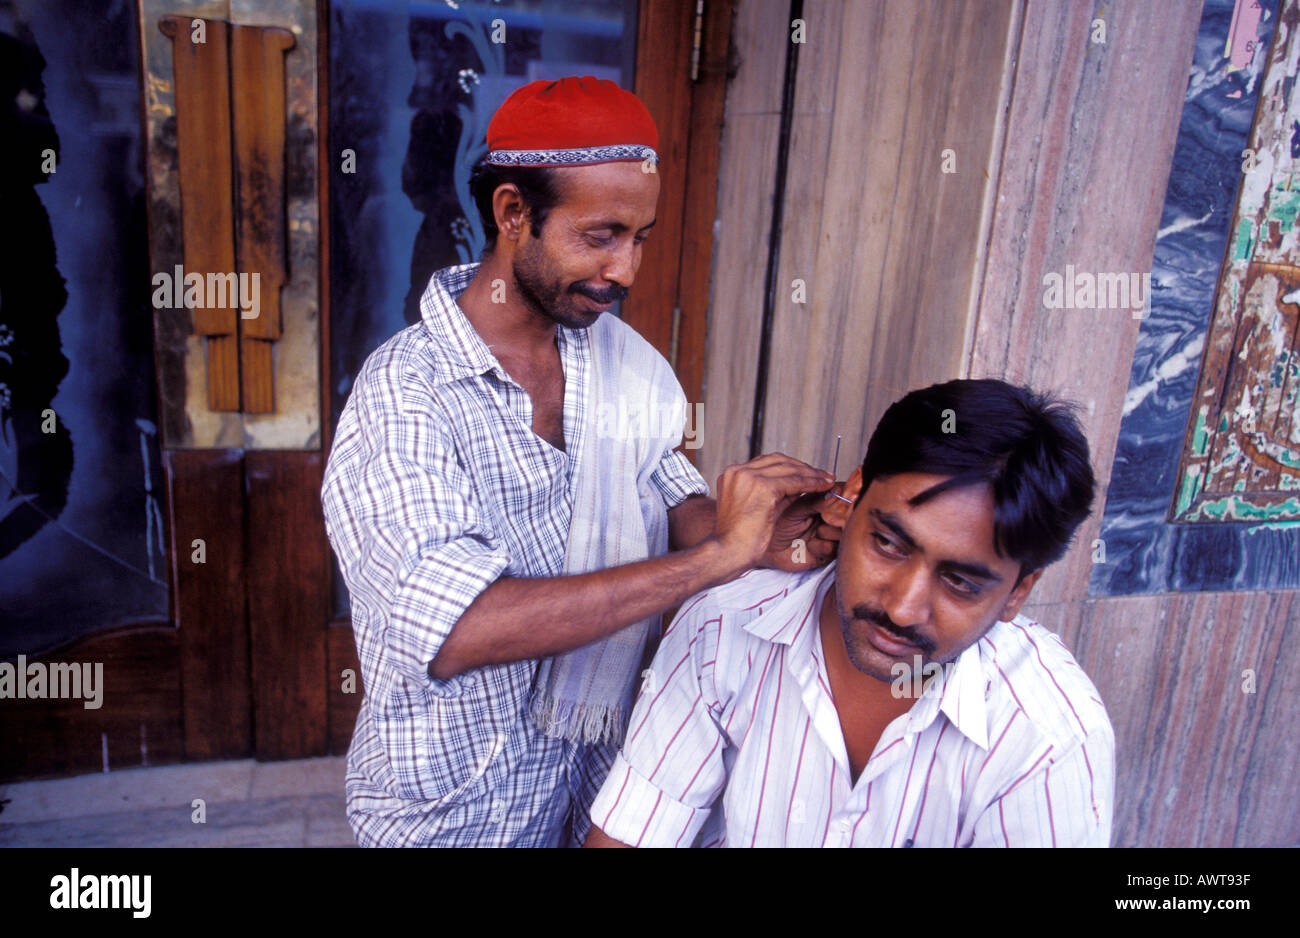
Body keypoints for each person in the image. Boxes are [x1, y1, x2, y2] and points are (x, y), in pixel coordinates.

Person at [321, 76, 841, 847]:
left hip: (599, 795)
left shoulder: (615, 361)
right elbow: (459, 627)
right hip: (453, 817)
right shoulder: (406, 395)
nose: (625, 270)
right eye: (601, 235)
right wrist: (714, 562)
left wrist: (754, 530)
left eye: (640, 238)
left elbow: (668, 501)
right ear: (512, 213)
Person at [584, 379, 1116, 847]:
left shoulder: (1049, 738)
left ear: (1019, 593)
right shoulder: (723, 628)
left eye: (959, 582)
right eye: (888, 544)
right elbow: (632, 835)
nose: (903, 609)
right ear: (850, 498)